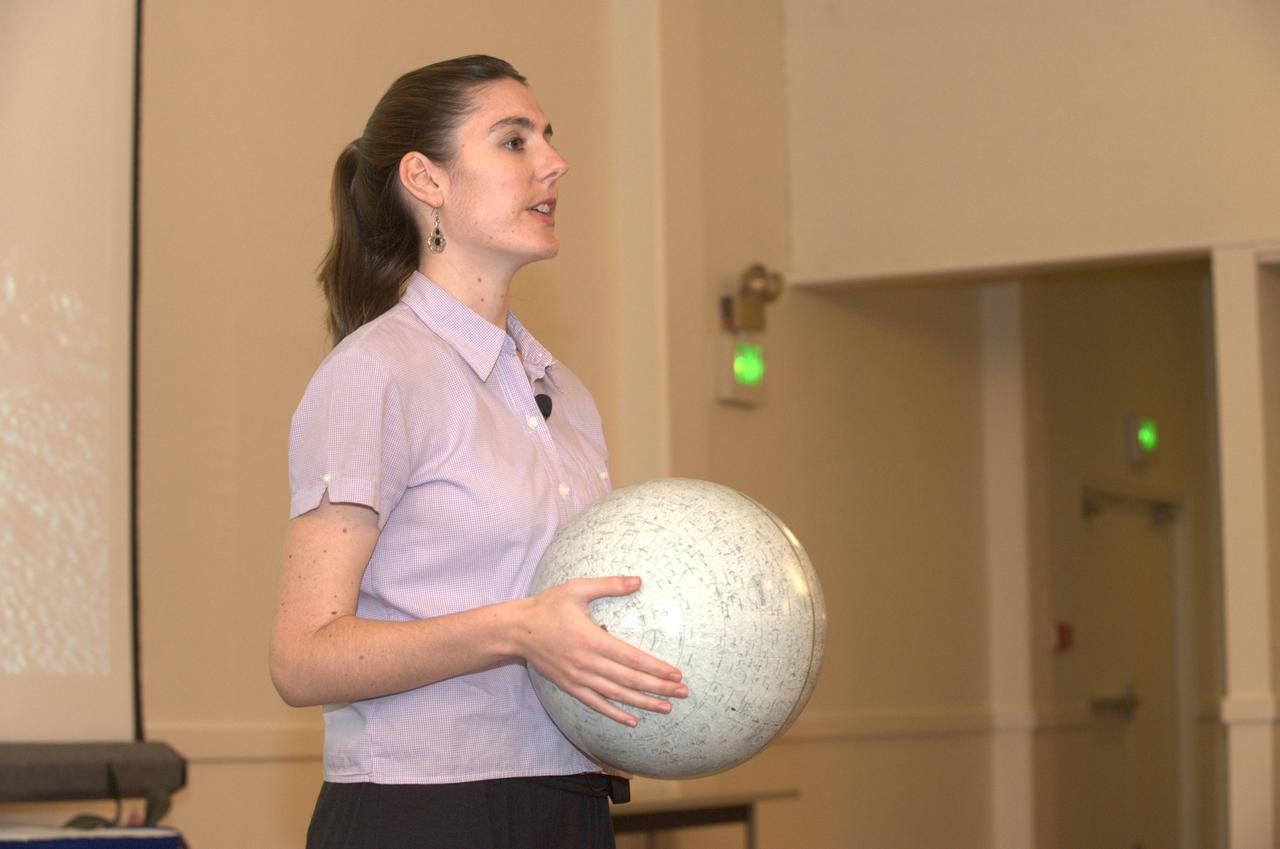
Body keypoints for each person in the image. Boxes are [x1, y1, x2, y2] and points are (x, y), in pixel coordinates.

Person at [269, 55, 687, 849]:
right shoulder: (374, 374)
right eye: (513, 140)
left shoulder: (566, 394)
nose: (553, 162)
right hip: (423, 813)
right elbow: (302, 656)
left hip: (568, 802)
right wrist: (517, 629)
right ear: (426, 180)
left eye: (549, 139)